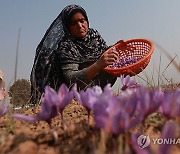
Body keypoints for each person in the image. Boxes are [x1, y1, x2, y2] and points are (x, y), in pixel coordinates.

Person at [30, 4, 119, 104]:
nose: (80, 26)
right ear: (67, 27)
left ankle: (101, 93)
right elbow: (71, 78)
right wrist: (97, 65)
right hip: (79, 92)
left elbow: (104, 53)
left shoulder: (94, 35)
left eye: (82, 21)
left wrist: (116, 47)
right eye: (73, 23)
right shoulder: (66, 45)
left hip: (99, 85)